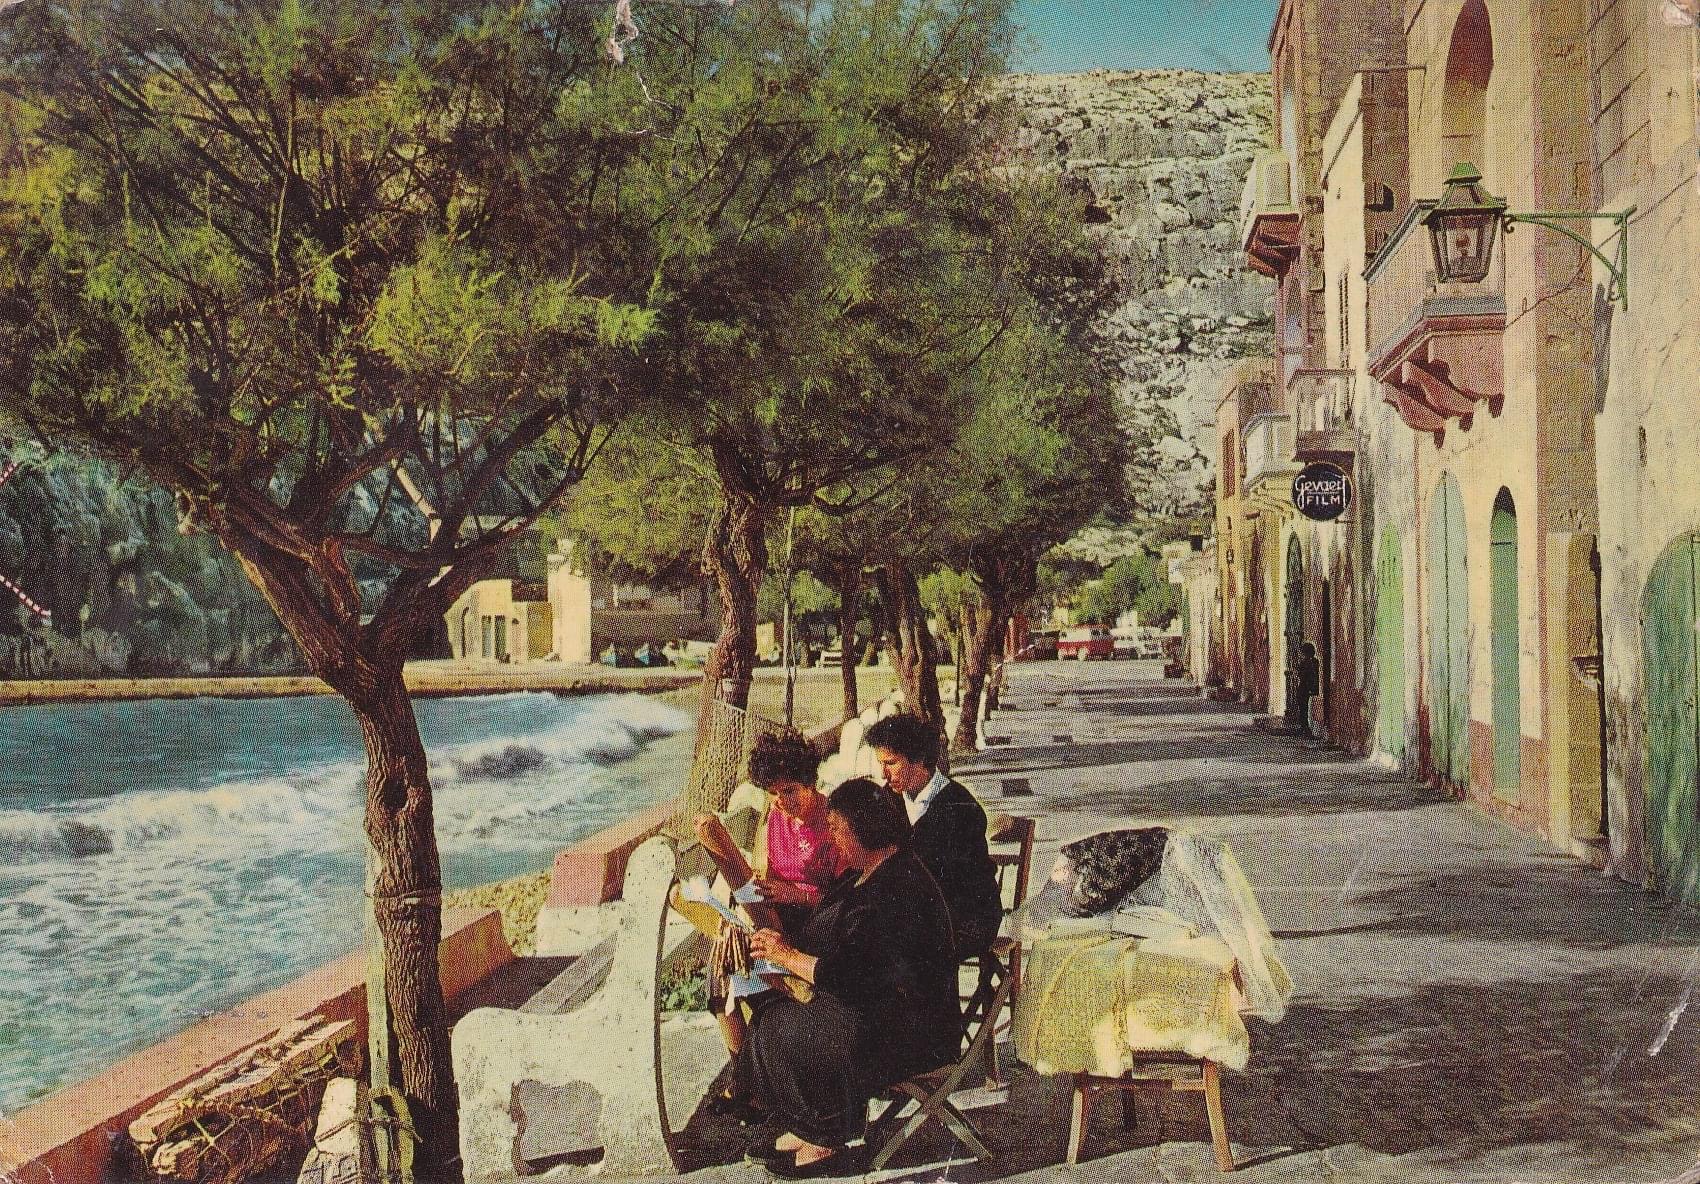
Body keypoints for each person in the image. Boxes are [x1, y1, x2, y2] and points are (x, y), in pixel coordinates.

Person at [743, 777, 959, 1178]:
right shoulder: (863, 874)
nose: (833, 838)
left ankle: (825, 1138)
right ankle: (810, 1127)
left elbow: (853, 974)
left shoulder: (897, 886)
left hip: (911, 1030)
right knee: (770, 1011)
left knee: (781, 1026)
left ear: (867, 831)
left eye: (840, 829)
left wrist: (788, 957)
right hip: (877, 1011)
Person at [692, 730, 841, 1121]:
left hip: (821, 925)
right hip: (774, 917)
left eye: (790, 790)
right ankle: (750, 1078)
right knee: (721, 964)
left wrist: (794, 894)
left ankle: (757, 1080)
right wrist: (734, 919)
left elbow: (849, 898)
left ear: (810, 780)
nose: (782, 802)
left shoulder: (834, 821)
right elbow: (758, 875)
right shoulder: (774, 818)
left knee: (762, 971)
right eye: (774, 793)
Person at [863, 713, 1003, 960]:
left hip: (965, 919)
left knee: (901, 950)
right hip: (914, 913)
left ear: (919, 759)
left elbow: (961, 887)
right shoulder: (885, 801)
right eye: (881, 764)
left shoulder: (961, 808)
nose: (883, 774)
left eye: (891, 763)